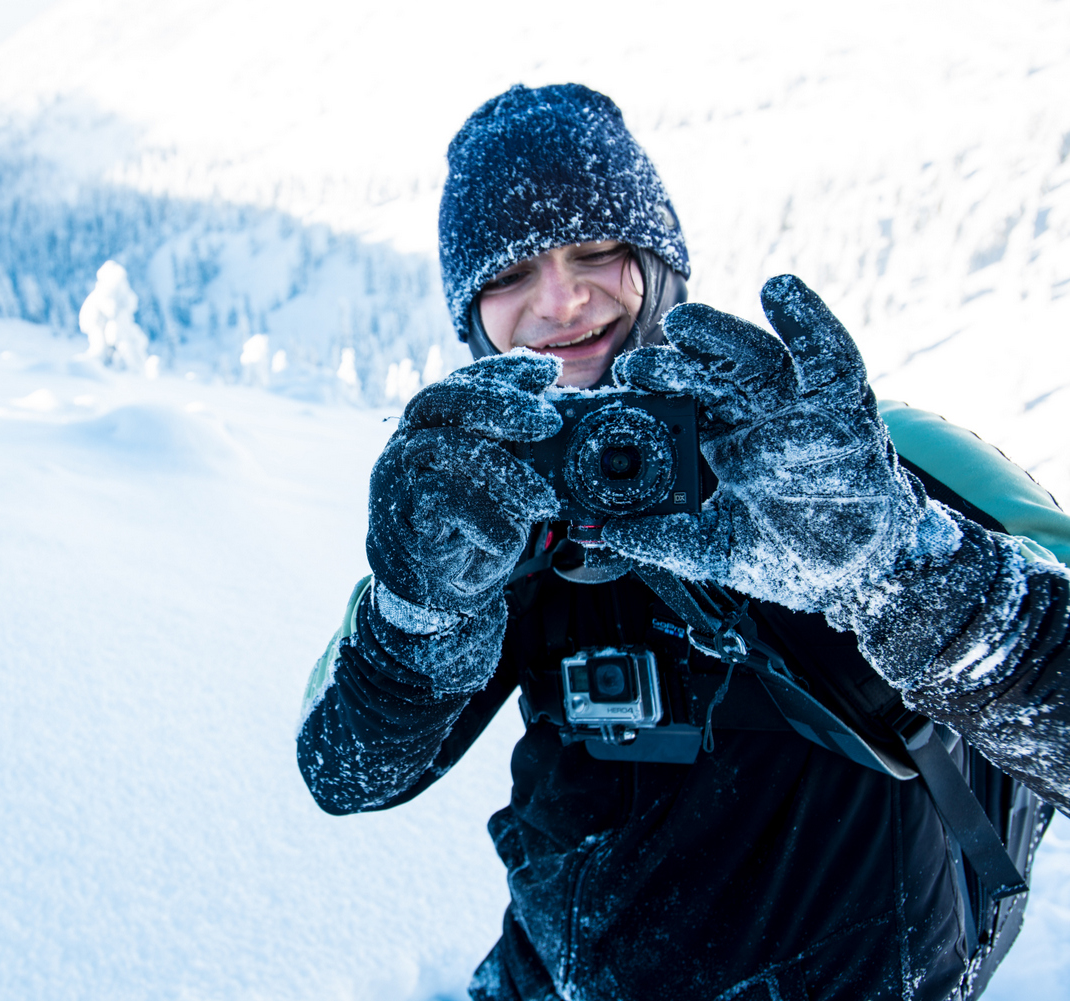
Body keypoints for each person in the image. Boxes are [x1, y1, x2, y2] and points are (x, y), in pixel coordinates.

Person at [296, 82, 1070, 1001]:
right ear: (472, 317)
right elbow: (345, 769)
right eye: (507, 274)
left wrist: (897, 567)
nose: (561, 297)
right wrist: (417, 612)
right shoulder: (486, 519)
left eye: (596, 250)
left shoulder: (856, 462)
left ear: (660, 264)